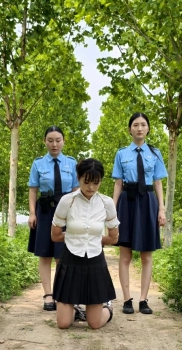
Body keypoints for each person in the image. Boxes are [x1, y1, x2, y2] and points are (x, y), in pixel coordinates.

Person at [51, 158, 118, 330]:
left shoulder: (106, 203)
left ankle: (107, 308)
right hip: (70, 259)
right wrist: (76, 237)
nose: (91, 187)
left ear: (101, 181)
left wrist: (91, 239)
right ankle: (75, 310)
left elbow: (113, 238)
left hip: (95, 260)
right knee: (63, 324)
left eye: (96, 183)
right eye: (86, 182)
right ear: (78, 178)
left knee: (94, 324)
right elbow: (55, 235)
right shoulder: (67, 201)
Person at [111, 112, 167, 315]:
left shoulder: (155, 153)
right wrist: (112, 211)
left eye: (143, 124)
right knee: (125, 254)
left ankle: (144, 300)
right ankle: (127, 299)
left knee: (146, 255)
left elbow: (158, 182)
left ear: (148, 128)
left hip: (148, 202)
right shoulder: (121, 154)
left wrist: (161, 209)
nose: (139, 128)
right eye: (135, 125)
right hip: (127, 203)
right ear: (130, 129)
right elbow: (118, 183)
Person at [27, 126, 79, 311]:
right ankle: (48, 295)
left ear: (63, 141)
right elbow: (33, 190)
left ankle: (60, 293)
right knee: (45, 254)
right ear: (45, 142)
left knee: (62, 255)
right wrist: (32, 213)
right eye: (50, 140)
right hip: (45, 211)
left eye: (58, 140)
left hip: (65, 211)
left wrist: (76, 213)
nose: (54, 144)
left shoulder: (71, 163)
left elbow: (76, 190)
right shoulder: (38, 164)